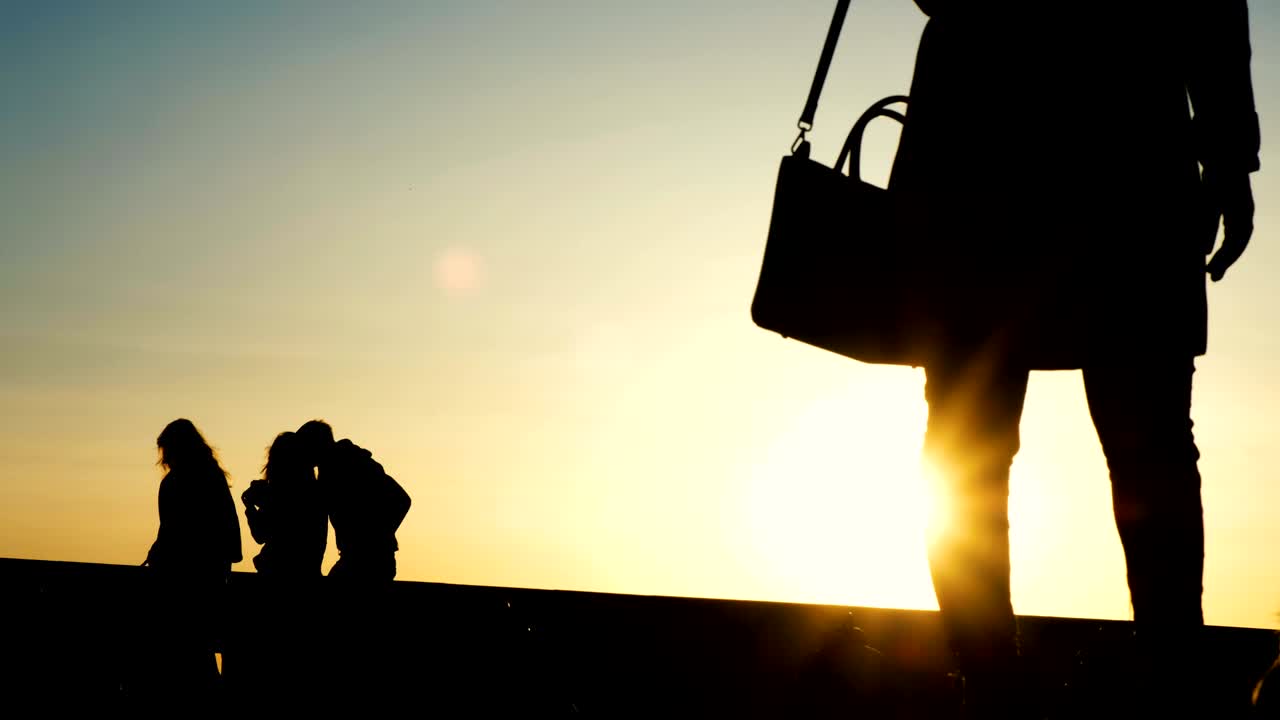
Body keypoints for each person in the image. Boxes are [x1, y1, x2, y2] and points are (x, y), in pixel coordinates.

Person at [886, 1, 1259, 715]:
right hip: (1121, 138)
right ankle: (1169, 683)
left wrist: (1229, 152)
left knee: (973, 444)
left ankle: (990, 685)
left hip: (984, 139)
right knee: (1146, 446)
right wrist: (1228, 155)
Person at [141, 418, 243, 702]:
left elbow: (172, 529)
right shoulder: (212, 476)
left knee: (187, 644)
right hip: (212, 572)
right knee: (201, 645)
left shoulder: (176, 482)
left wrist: (160, 555)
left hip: (184, 576)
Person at [295, 419, 410, 581]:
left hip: (371, 559)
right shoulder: (329, 469)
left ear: (315, 444)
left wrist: (375, 537)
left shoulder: (353, 463)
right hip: (357, 556)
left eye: (304, 446)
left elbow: (402, 499)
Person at [242, 431, 328, 578]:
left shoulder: (279, 493)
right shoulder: (315, 491)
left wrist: (250, 506)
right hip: (309, 572)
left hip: (277, 572)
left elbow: (260, 534)